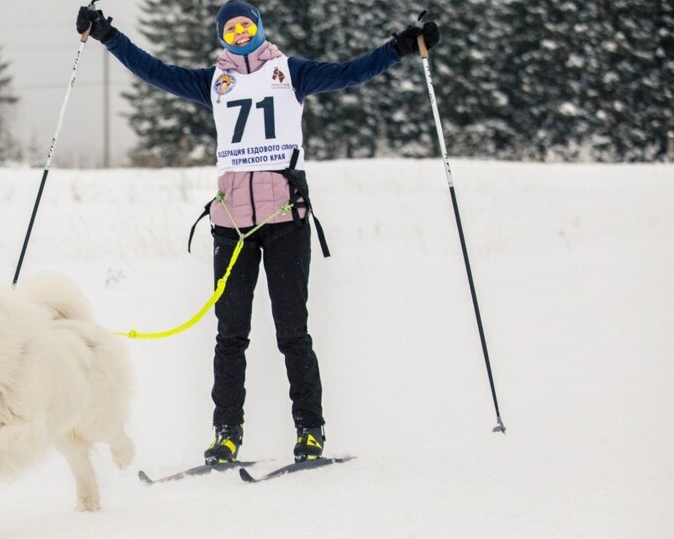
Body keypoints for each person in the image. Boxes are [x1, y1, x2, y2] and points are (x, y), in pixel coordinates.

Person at [76, 1, 439, 465]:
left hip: (286, 219)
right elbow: (155, 72)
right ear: (222, 37)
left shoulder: (291, 73)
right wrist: (108, 36)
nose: (241, 34)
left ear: (260, 29)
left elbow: (350, 72)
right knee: (230, 336)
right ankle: (226, 434)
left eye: (247, 26)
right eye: (231, 30)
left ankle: (310, 430)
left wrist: (399, 47)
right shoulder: (213, 82)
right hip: (231, 224)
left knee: (293, 333)